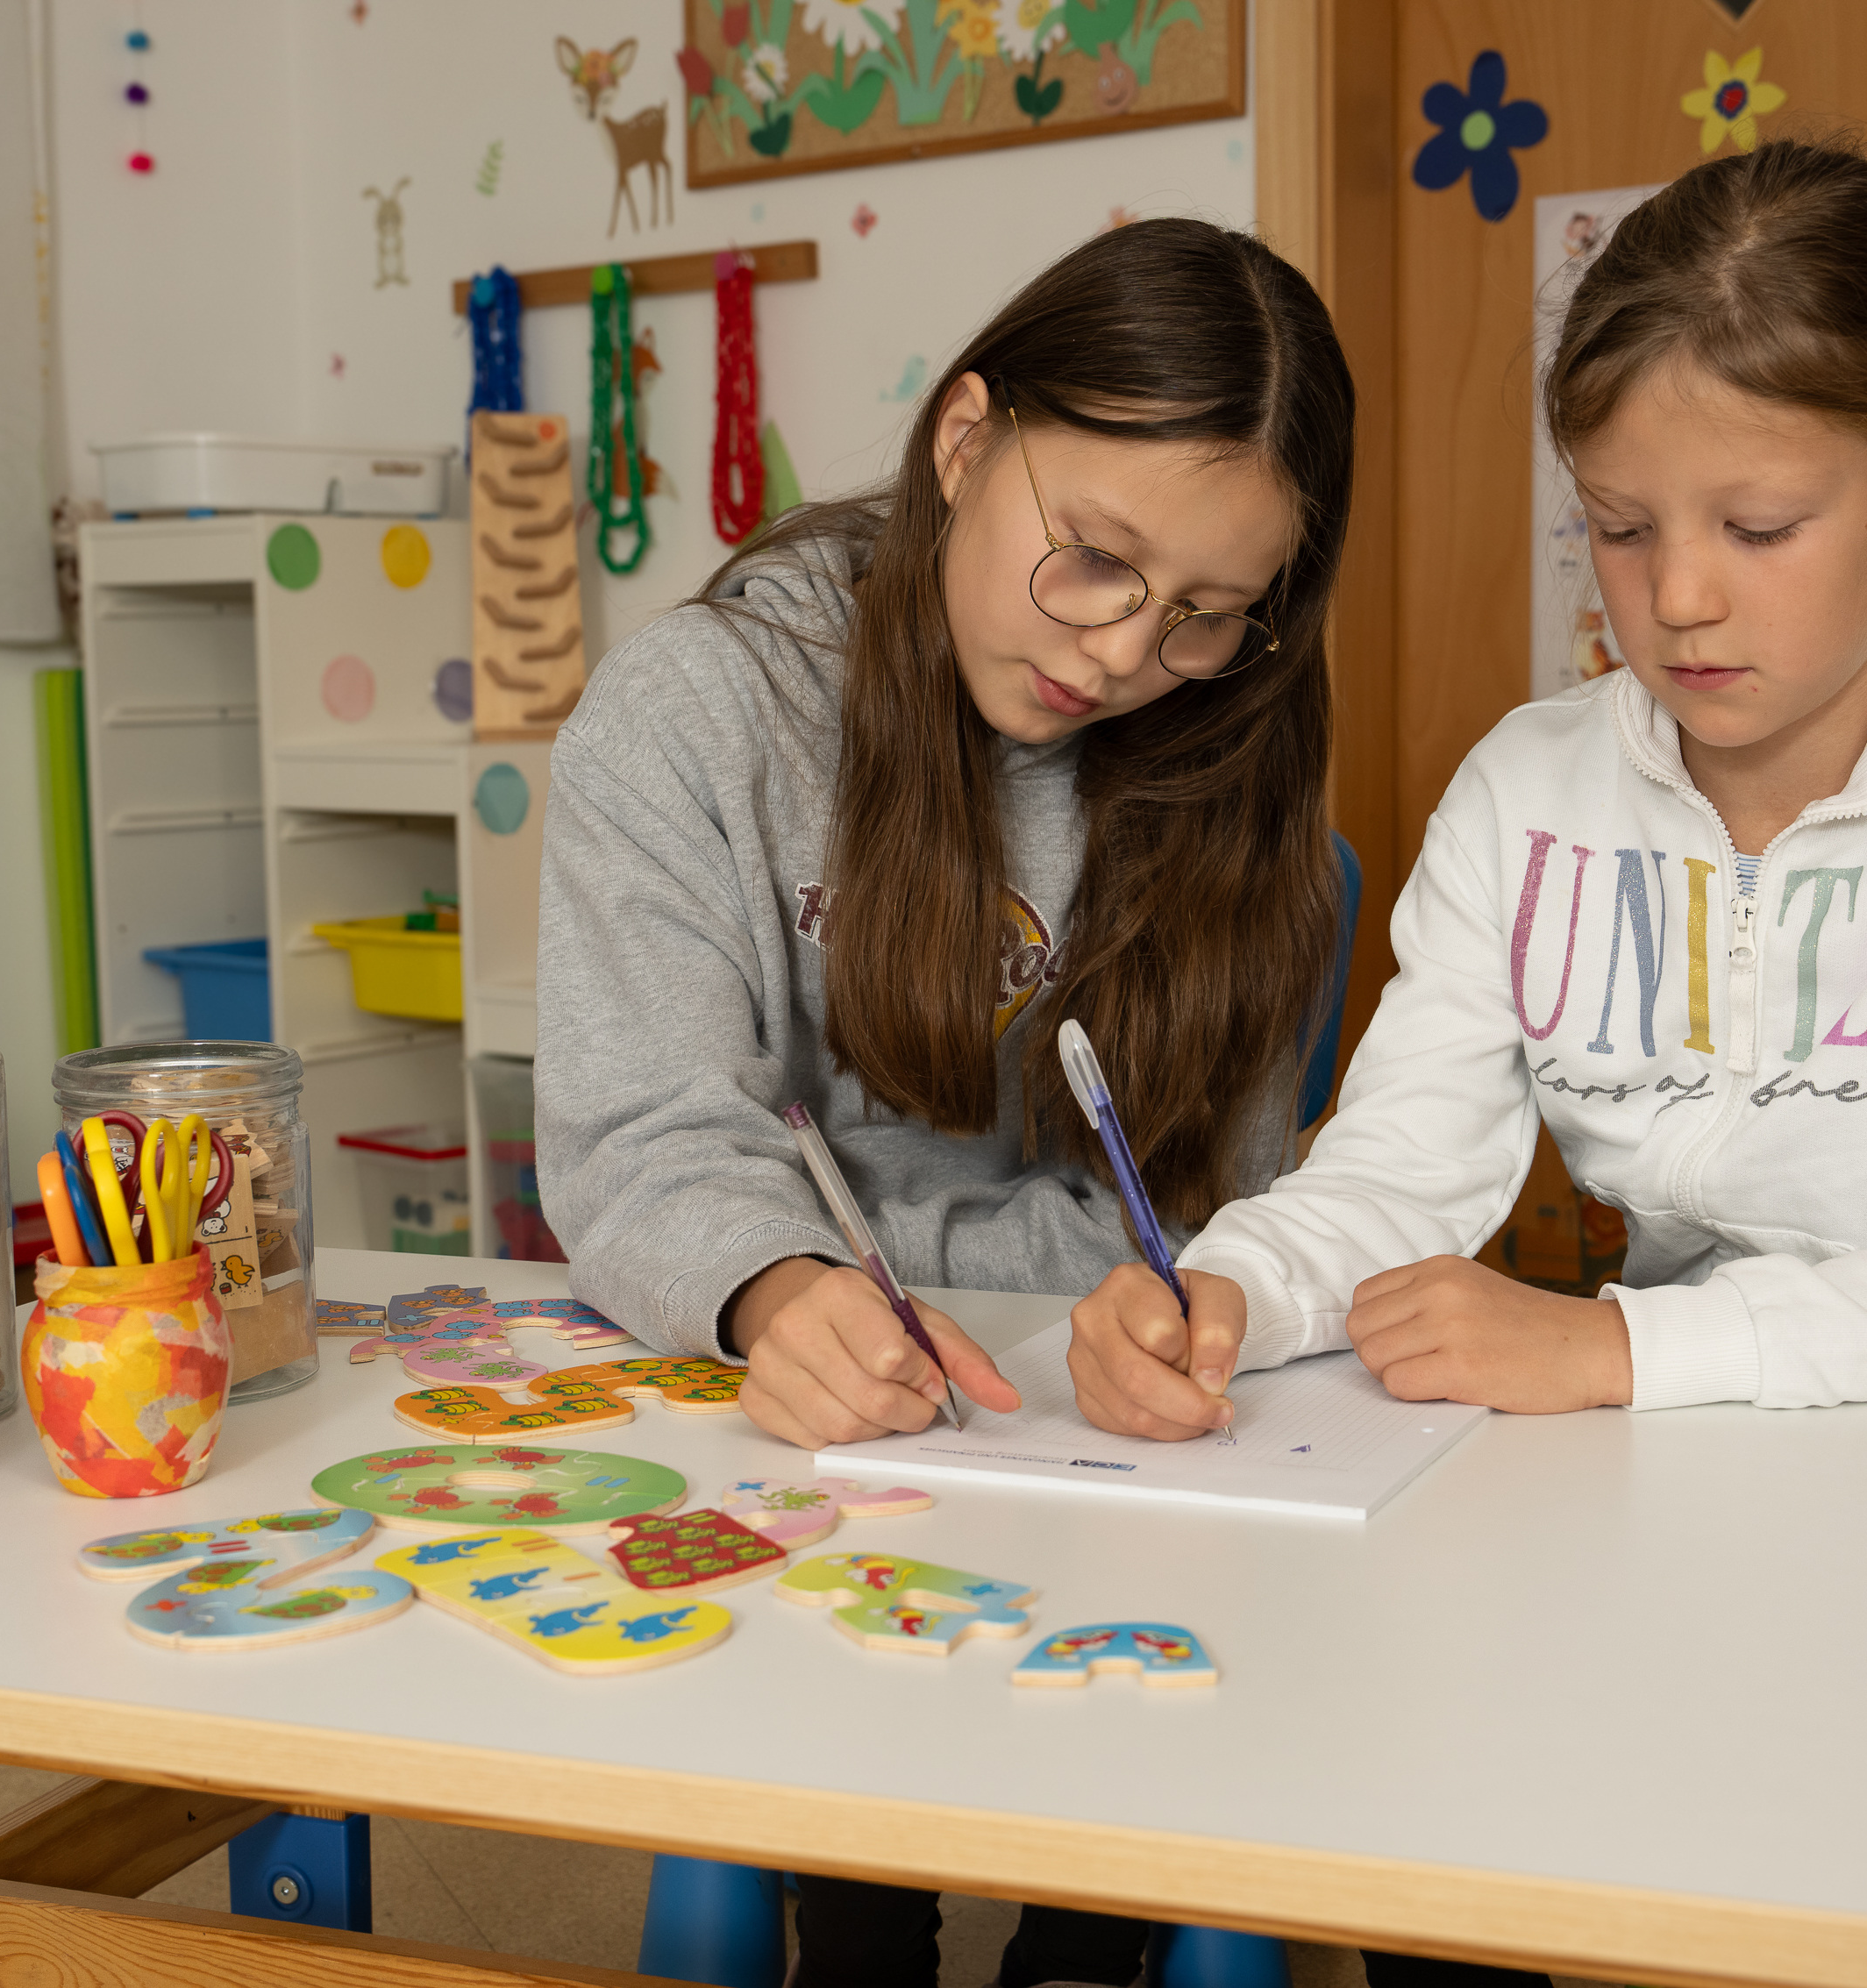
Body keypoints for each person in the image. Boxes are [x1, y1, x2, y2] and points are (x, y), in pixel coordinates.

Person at [1071, 140, 1867, 1452]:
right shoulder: (1525, 795)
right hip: (1693, 1459)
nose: (1677, 598)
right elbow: (1399, 1171)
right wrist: (1230, 1292)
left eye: (1760, 528)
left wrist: (1622, 1345)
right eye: (1620, 527)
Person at [536, 217, 1352, 1988]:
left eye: (1205, 612)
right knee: (823, 1791)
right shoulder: (699, 714)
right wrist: (774, 1283)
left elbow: (1204, 1199)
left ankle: (1081, 1925)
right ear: (966, 440)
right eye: (1096, 560)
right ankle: (862, 1905)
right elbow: (638, 1135)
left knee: (1161, 1702)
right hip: (813, 1433)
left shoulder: (1237, 761)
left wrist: (1122, 1293)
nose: (1123, 651)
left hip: (1101, 1446)